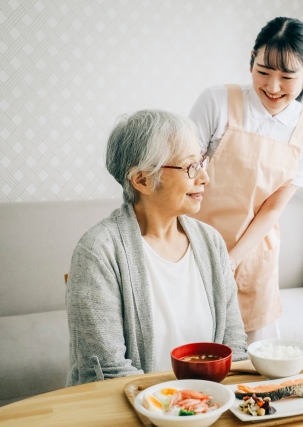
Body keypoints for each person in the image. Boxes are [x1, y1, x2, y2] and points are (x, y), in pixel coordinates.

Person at [66, 110, 247, 386]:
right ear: (142, 180)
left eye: (201, 161)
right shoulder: (98, 252)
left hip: (210, 408)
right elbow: (106, 373)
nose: (204, 178)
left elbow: (235, 348)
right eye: (190, 167)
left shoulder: (211, 243)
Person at [188, 17, 303, 343]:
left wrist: (232, 260)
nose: (273, 86)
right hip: (194, 246)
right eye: (263, 71)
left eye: (287, 76)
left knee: (251, 366)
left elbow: (274, 206)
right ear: (251, 59)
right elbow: (183, 175)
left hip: (254, 256)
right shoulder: (217, 101)